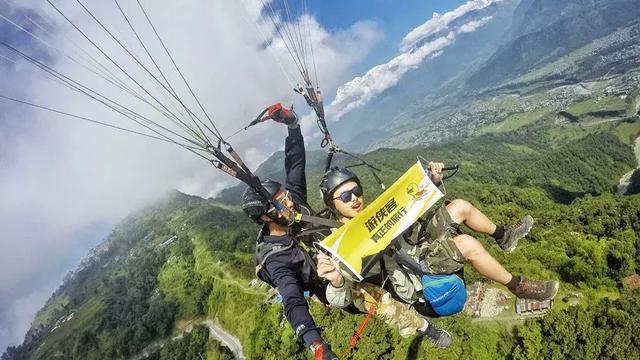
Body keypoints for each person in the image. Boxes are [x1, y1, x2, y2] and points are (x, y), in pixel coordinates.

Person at [316, 164, 559, 328]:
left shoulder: (374, 212)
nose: (355, 199)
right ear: (332, 204)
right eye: (345, 197)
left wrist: (431, 180)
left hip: (416, 244)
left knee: (461, 206)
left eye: (356, 191)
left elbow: (408, 207)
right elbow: (339, 299)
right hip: (412, 270)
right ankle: (519, 286)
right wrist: (336, 280)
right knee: (466, 244)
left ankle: (504, 236)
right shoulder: (342, 244)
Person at [240, 103, 338, 360]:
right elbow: (292, 300)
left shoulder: (292, 199)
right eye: (282, 201)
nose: (290, 202)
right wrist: (316, 345)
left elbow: (295, 163)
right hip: (331, 282)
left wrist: (292, 125)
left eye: (286, 195)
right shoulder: (276, 259)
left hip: (341, 247)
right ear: (265, 216)